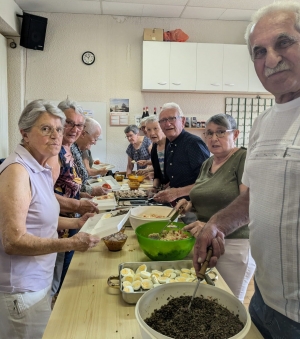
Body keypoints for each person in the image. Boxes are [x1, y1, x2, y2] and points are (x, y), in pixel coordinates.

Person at [193, 2, 300, 338]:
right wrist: (217, 224)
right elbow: (252, 197)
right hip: (264, 302)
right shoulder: (263, 123)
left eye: (283, 43)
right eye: (259, 51)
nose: (270, 59)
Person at [0, 100, 100, 339]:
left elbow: (41, 219)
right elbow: (13, 241)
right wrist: (71, 243)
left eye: (58, 128)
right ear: (24, 133)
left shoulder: (41, 168)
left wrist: (77, 223)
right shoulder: (17, 171)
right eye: (45, 129)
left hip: (38, 283)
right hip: (23, 291)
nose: (56, 135)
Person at [176, 113, 255, 302]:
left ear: (235, 134)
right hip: (204, 241)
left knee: (227, 304)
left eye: (221, 132)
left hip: (233, 245)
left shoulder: (243, 159)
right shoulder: (207, 163)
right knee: (206, 301)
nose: (214, 138)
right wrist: (189, 205)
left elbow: (248, 204)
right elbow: (208, 195)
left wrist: (214, 226)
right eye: (209, 133)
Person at [153, 102, 210, 205]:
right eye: (163, 120)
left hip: (194, 206)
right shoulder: (170, 144)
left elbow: (207, 182)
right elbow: (181, 176)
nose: (167, 123)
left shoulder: (193, 143)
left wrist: (177, 193)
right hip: (177, 205)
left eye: (171, 118)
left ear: (182, 121)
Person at [143, 115, 168, 192]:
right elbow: (157, 174)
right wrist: (154, 188)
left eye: (155, 129)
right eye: (149, 130)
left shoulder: (172, 145)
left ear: (163, 128)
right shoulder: (154, 147)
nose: (152, 133)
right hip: (164, 190)